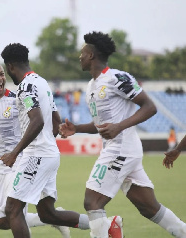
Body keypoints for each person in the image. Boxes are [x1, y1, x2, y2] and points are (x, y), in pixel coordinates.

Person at [59, 31, 186, 238]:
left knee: (92, 202)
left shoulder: (117, 77)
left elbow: (149, 107)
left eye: (82, 52)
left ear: (91, 55)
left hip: (121, 148)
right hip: (120, 149)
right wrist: (78, 129)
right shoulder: (91, 86)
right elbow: (102, 125)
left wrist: (119, 126)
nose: (79, 56)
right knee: (149, 207)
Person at [0, 43, 122, 238]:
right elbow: (55, 119)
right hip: (49, 154)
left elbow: (38, 120)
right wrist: (53, 136)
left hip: (36, 155)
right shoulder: (42, 82)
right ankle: (108, 227)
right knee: (47, 214)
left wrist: (15, 153)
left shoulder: (25, 87)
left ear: (11, 66)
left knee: (12, 210)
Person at [0, 61, 71, 237]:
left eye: (1, 74)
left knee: (14, 213)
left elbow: (38, 121)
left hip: (20, 161)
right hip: (0, 166)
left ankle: (55, 218)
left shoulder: (17, 98)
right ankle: (53, 219)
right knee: (0, 222)